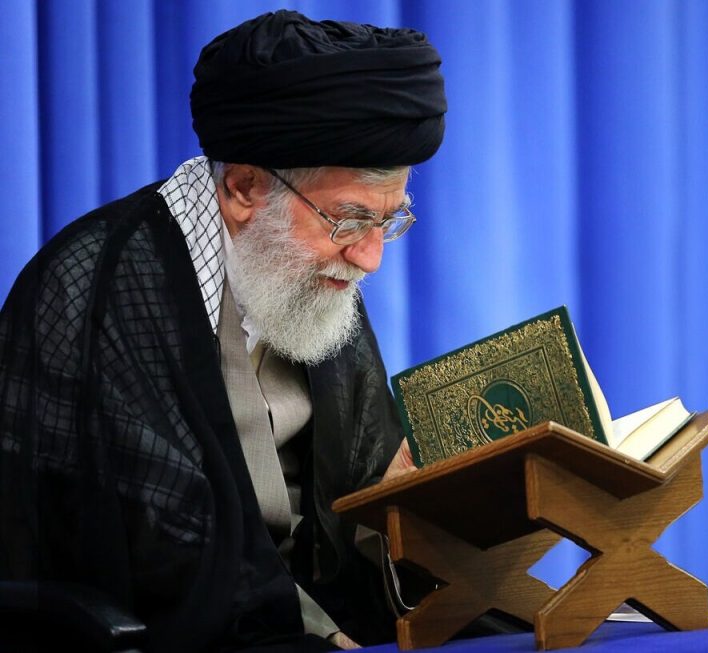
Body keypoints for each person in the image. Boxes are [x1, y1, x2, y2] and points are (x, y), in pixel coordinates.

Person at [0, 10, 445, 652]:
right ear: (243, 188)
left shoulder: (314, 271)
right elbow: (161, 548)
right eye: (348, 221)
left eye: (388, 221)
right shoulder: (102, 287)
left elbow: (362, 483)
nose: (369, 257)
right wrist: (326, 637)